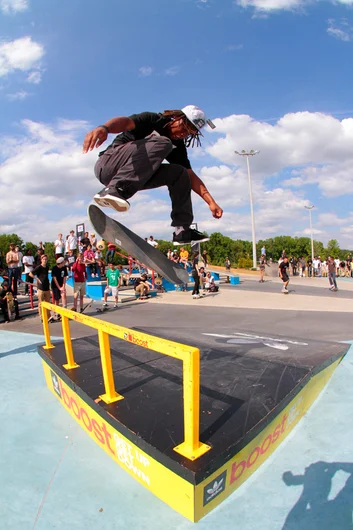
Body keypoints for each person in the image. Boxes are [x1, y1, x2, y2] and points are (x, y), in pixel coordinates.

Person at [82, 105, 223, 244]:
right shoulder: (153, 120)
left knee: (181, 173)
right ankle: (114, 189)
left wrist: (211, 202)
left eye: (189, 133)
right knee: (164, 142)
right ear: (177, 118)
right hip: (108, 164)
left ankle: (182, 230)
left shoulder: (178, 146)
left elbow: (191, 176)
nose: (183, 134)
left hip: (133, 176)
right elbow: (125, 122)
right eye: (184, 127)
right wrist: (105, 128)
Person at [30, 254, 51, 320]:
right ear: (41, 260)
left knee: (47, 302)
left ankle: (48, 316)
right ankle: (42, 316)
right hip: (41, 287)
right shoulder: (39, 267)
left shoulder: (47, 267)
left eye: (46, 259)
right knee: (41, 302)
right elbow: (30, 274)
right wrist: (37, 279)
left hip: (46, 286)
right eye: (43, 259)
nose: (45, 260)